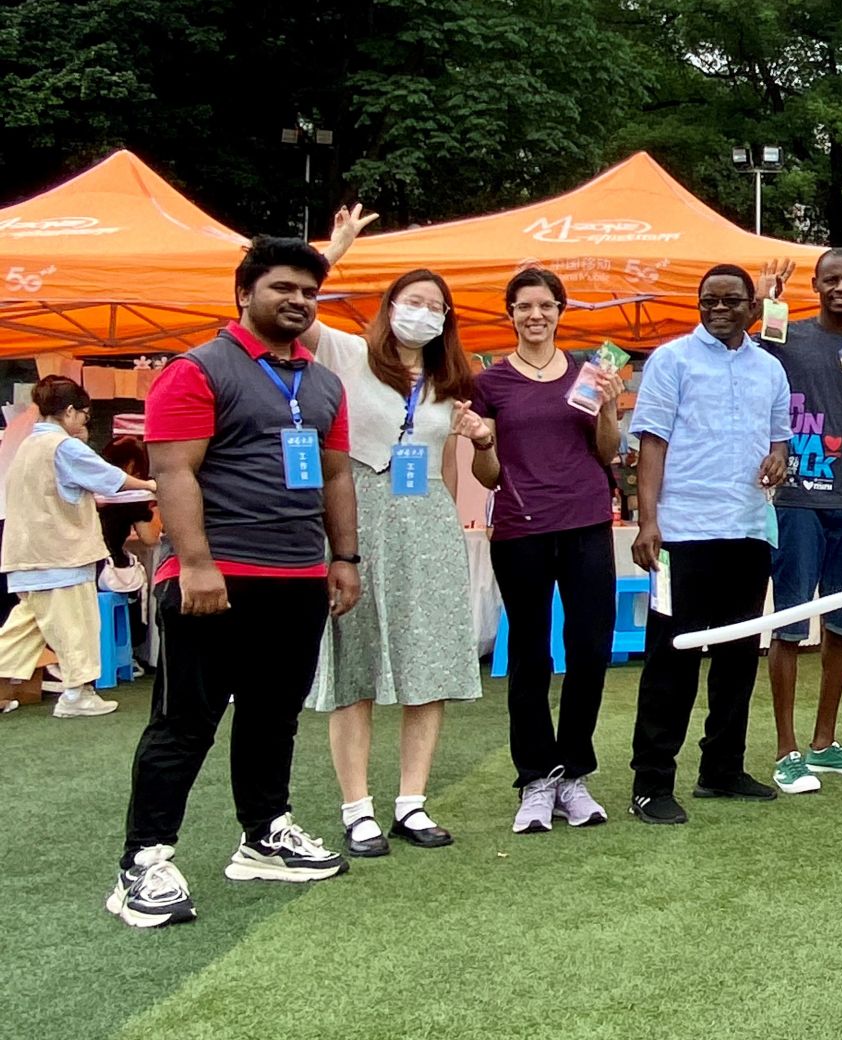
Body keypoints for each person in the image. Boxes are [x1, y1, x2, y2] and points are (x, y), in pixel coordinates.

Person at [109, 237, 360, 929]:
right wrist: (195, 562)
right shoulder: (197, 370)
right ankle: (143, 861)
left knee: (273, 714)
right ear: (245, 293)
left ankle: (264, 835)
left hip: (299, 577)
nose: (298, 301)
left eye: (309, 292)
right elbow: (174, 471)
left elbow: (337, 476)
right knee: (185, 723)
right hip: (215, 577)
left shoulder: (324, 384)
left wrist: (344, 558)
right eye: (283, 287)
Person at [303, 212, 488, 855]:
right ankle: (357, 808)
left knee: (426, 663)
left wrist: (457, 501)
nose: (424, 313)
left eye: (436, 306)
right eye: (413, 301)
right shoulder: (349, 353)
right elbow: (298, 309)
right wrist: (335, 251)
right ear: (389, 307)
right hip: (356, 513)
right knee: (353, 664)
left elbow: (445, 466)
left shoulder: (448, 384)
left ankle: (412, 802)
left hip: (426, 522)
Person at [627, 265, 792, 823]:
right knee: (671, 658)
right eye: (709, 301)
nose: (719, 309)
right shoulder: (671, 360)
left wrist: (779, 460)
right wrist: (648, 522)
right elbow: (651, 444)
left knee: (738, 658)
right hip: (680, 534)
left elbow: (779, 442)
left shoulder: (770, 368)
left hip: (748, 531)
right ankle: (651, 781)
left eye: (730, 300)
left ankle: (722, 768)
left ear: (752, 307)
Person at [470, 267, 623, 835]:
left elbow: (606, 452)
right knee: (530, 654)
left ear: (561, 311)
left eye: (546, 305)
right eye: (524, 306)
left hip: (586, 523)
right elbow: (487, 475)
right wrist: (483, 443)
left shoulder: (591, 373)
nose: (535, 315)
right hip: (520, 529)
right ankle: (536, 777)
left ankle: (573, 774)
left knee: (590, 649)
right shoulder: (490, 383)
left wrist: (609, 409)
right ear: (510, 313)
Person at [759, 250, 842, 795]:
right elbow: (747, 359)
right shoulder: (785, 334)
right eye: (831, 279)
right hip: (796, 499)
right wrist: (765, 303)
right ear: (815, 284)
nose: (841, 287)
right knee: (789, 625)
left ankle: (824, 742)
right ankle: (786, 750)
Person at [0, 377, 155, 718]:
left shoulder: (27, 445)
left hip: (26, 553)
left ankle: (72, 692)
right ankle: (76, 694)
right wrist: (151, 485)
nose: (86, 422)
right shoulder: (62, 446)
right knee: (76, 627)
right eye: (85, 415)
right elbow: (110, 478)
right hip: (59, 554)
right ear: (70, 411)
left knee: (25, 627)